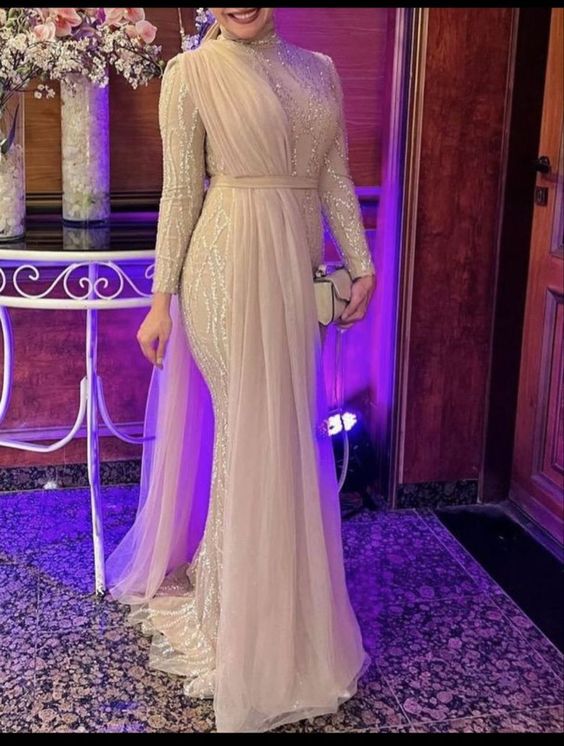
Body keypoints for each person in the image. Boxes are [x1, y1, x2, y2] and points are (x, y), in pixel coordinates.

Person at [106, 7, 376, 733]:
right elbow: (180, 194)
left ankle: (286, 608)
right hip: (223, 268)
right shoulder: (190, 73)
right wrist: (160, 301)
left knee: (291, 432)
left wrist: (361, 262)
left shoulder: (320, 71)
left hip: (295, 271)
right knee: (248, 432)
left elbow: (334, 174)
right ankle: (233, 617)